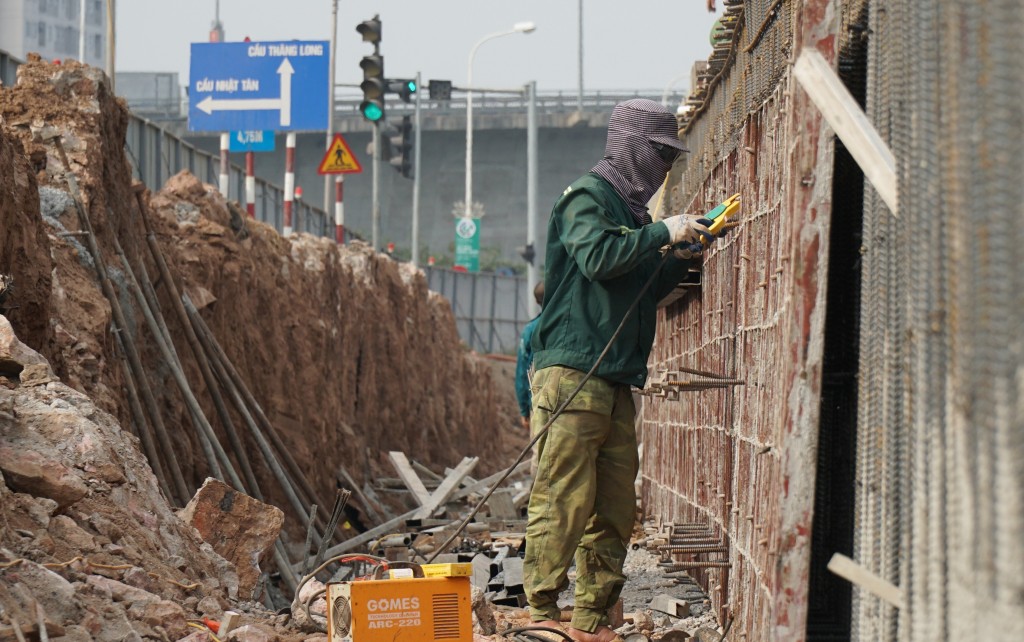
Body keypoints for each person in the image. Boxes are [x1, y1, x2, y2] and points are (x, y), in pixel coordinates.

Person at [523, 99, 721, 642]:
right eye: (658, 155)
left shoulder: (634, 215)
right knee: (564, 495)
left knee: (612, 505)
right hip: (572, 371)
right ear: (634, 148)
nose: (662, 169)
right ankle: (541, 609)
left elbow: (642, 291)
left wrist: (683, 253)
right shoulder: (588, 197)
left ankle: (591, 617)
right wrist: (663, 234)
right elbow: (599, 260)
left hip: (613, 376)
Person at [515, 281, 546, 431]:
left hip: (538, 404)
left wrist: (524, 409)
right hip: (570, 402)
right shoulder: (571, 326)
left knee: (540, 452)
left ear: (536, 301)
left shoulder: (531, 329)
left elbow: (522, 372)